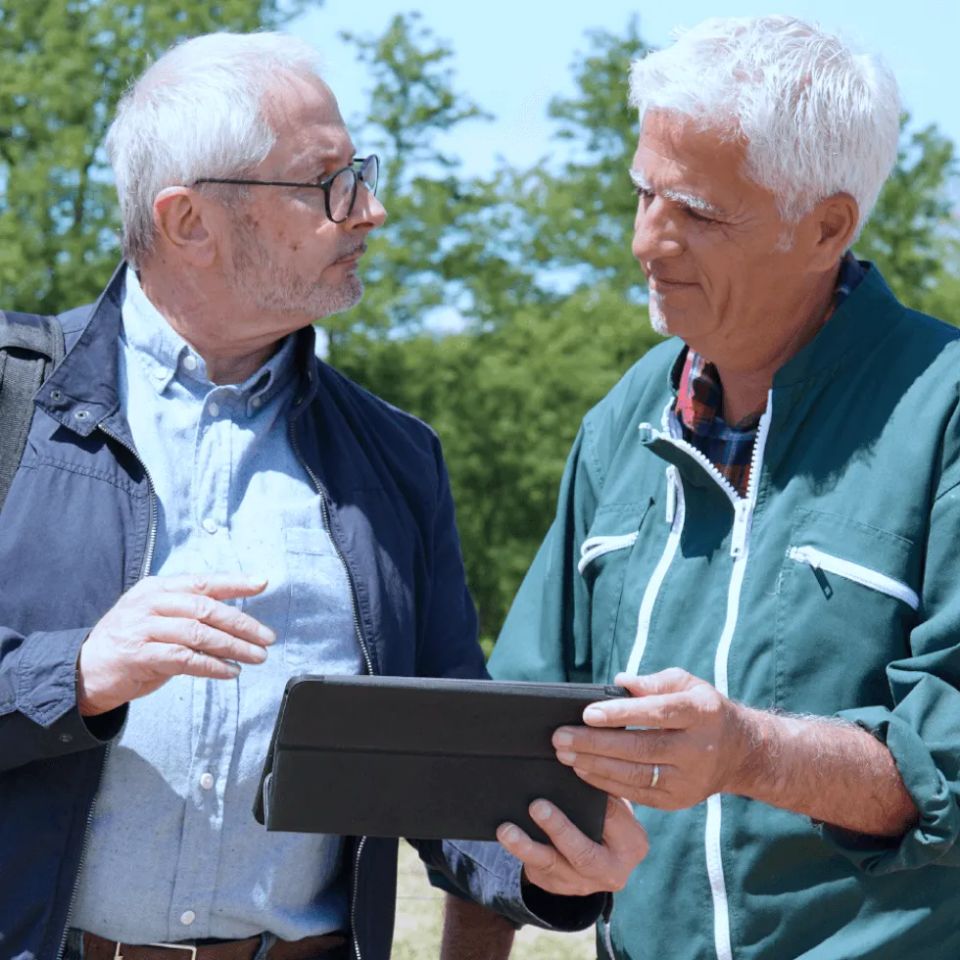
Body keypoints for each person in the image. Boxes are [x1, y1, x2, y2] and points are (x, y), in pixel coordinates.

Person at [0, 32, 648, 960]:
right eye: (329, 183)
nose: (371, 212)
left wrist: (545, 867)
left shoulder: (395, 459)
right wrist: (76, 675)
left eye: (363, 176)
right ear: (189, 221)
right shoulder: (12, 405)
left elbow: (445, 770)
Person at [446, 14, 960, 960]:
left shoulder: (945, 412)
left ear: (828, 227)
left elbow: (953, 760)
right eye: (644, 193)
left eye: (698, 212)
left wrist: (746, 754)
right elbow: (507, 748)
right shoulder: (620, 422)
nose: (649, 241)